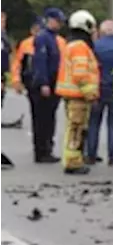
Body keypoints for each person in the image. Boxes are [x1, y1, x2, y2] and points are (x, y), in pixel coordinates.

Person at [55, 10, 101, 175]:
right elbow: (80, 74)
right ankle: (72, 162)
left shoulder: (71, 44)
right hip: (78, 96)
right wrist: (90, 94)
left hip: (72, 95)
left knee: (74, 128)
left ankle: (72, 159)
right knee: (76, 129)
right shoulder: (81, 47)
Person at [87, 19, 113, 166]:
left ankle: (91, 154)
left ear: (102, 32)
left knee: (93, 122)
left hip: (98, 88)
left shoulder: (95, 47)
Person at [29, 8, 66, 163]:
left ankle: (47, 148)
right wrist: (44, 83)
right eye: (57, 21)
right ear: (49, 20)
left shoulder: (53, 38)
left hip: (53, 82)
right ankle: (41, 151)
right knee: (42, 119)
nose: (59, 24)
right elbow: (41, 62)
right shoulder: (43, 38)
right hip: (45, 83)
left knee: (49, 118)